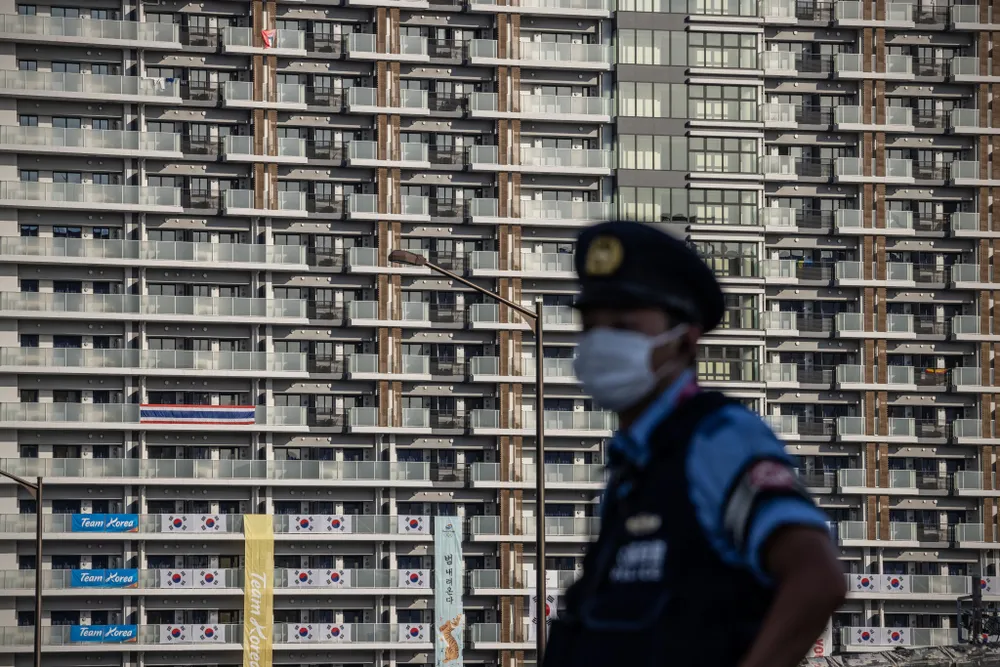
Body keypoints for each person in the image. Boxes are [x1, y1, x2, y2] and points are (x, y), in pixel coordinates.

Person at [543, 221, 846, 667]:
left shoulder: (716, 437)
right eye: (591, 326)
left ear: (684, 340)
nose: (600, 343)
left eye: (624, 326)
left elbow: (817, 579)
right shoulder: (633, 467)